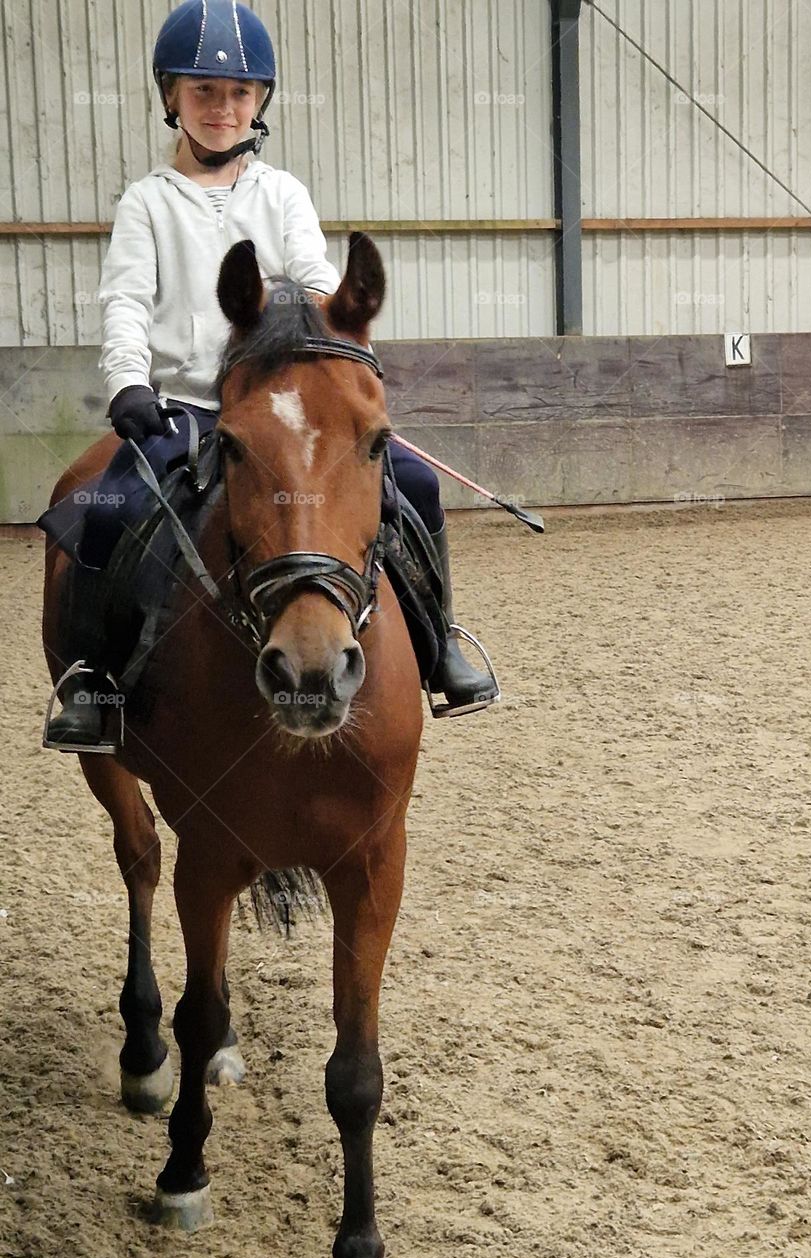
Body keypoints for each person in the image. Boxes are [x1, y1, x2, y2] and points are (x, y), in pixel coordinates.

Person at [45, 0, 497, 752]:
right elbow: (125, 299)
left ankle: (439, 643)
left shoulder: (281, 195)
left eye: (238, 95)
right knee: (103, 508)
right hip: (185, 407)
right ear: (171, 99)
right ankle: (92, 680)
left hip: (276, 404)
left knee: (413, 486)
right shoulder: (147, 203)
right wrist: (129, 381)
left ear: (259, 103)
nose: (222, 109)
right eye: (203, 93)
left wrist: (335, 362)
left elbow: (317, 278)